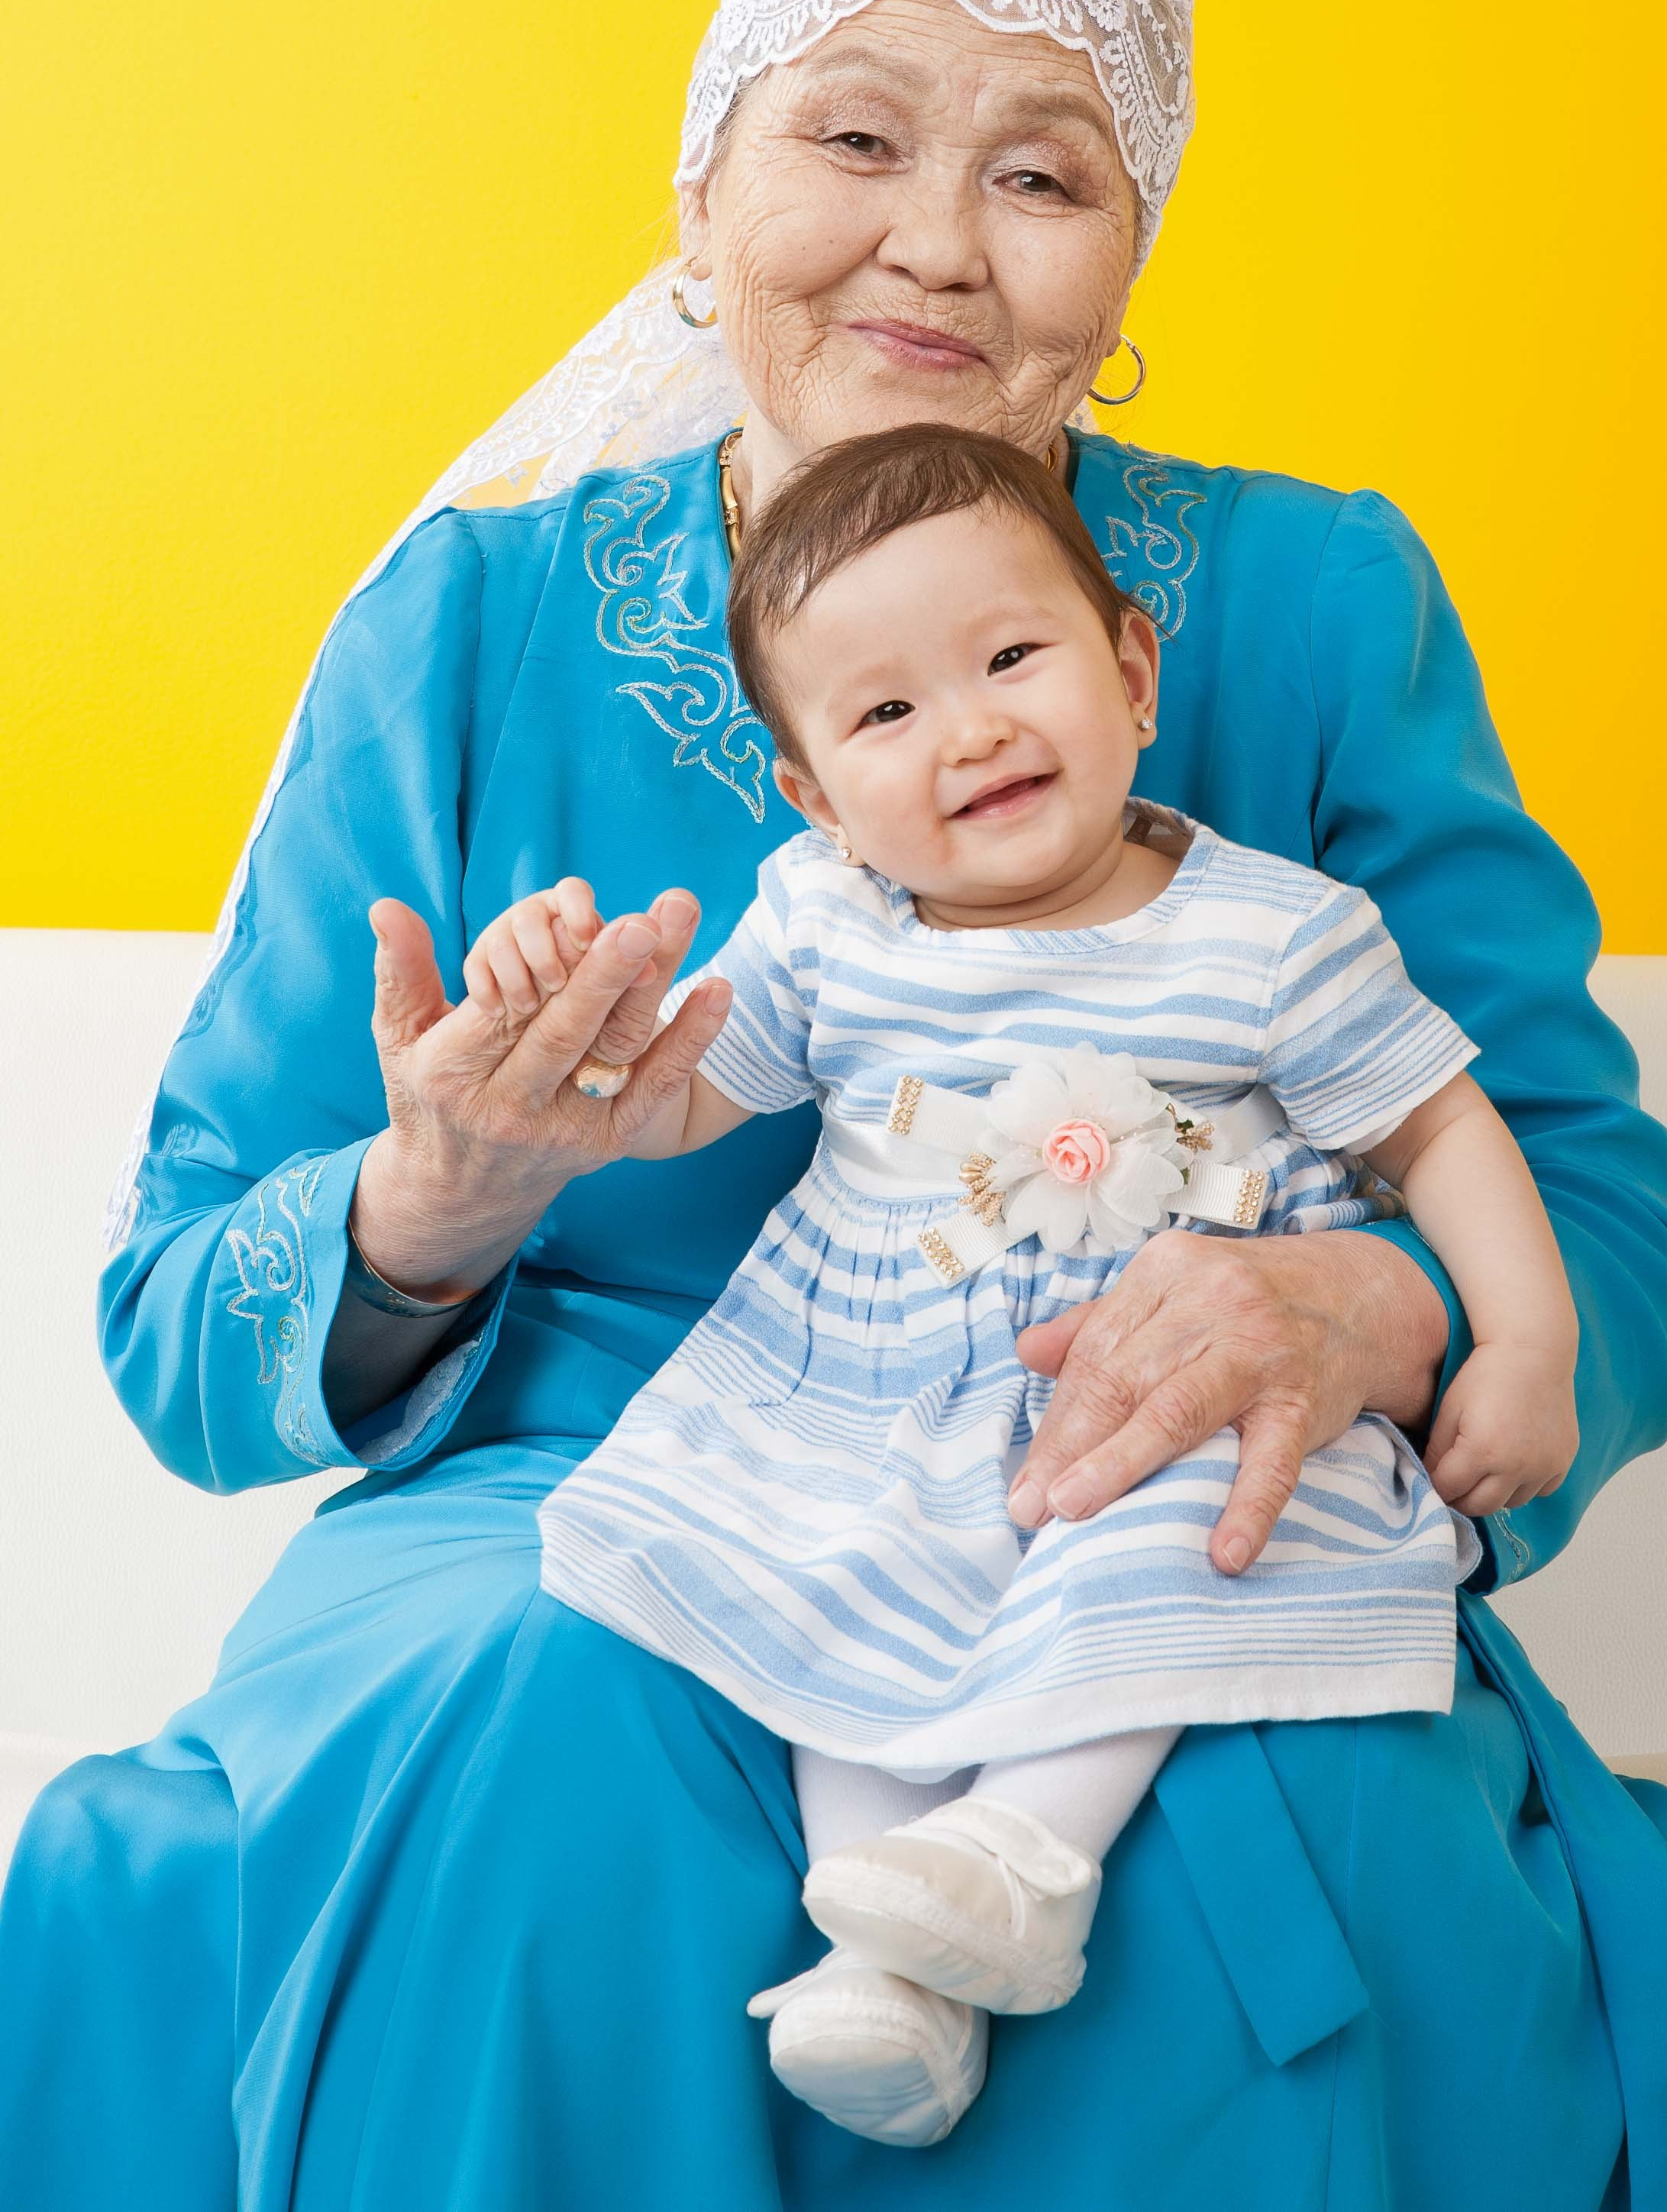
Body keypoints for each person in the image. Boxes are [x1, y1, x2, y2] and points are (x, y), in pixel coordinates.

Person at [0, 0, 1667, 2210]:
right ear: (702, 196)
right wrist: (431, 1199)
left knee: (1284, 1800)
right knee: (551, 1715)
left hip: (1144, 1512)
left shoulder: (1316, 606)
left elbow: (1599, 1222)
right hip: (575, 1503)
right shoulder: (473, 632)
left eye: (1043, 171)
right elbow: (184, 1321)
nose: (938, 243)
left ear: (1126, 269)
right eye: (854, 137)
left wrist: (1362, 1306)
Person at [525, 419, 1580, 2145]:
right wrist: (600, 1065)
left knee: (1178, 1560)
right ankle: (883, 1953)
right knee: (823, 1598)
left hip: (1157, 1387)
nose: (975, 728)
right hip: (871, 1385)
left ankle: (1031, 1851)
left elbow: (1445, 1128)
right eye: (884, 714)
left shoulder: (1273, 935)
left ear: (1133, 668)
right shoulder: (824, 920)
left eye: (1013, 655)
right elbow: (698, 1088)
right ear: (813, 794)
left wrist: (1526, 1339)